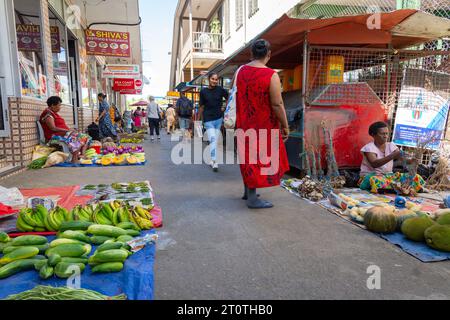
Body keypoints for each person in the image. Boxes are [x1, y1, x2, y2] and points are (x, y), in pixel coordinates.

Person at [234, 39, 290, 209]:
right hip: (263, 124)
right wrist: (285, 125)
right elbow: (277, 104)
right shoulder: (271, 75)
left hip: (244, 122)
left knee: (247, 157)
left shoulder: (241, 71)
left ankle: (247, 192)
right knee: (259, 159)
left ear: (251, 54)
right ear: (269, 54)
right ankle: (252, 199)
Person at [359, 121, 425, 194]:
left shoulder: (391, 145)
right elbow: (375, 164)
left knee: (416, 177)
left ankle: (395, 188)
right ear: (373, 135)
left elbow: (403, 158)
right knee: (377, 181)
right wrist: (393, 155)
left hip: (388, 177)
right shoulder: (369, 148)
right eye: (382, 134)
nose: (385, 136)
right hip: (371, 177)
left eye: (387, 133)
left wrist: (412, 161)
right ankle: (399, 188)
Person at [40, 96, 91, 163]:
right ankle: (74, 158)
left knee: (85, 136)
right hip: (54, 136)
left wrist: (69, 130)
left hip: (63, 134)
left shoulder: (53, 113)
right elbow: (53, 128)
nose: (60, 107)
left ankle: (82, 155)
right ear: (52, 105)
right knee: (77, 137)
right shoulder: (48, 115)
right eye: (59, 105)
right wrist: (67, 131)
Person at [199, 73, 229, 172]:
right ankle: (214, 161)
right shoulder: (203, 92)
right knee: (213, 139)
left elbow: (230, 97)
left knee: (215, 140)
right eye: (213, 79)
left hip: (218, 118)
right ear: (209, 79)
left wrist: (226, 107)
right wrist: (198, 120)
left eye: (216, 79)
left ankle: (212, 159)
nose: (214, 81)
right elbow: (201, 106)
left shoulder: (220, 89)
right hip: (208, 119)